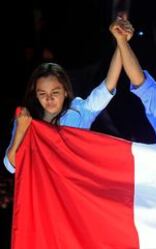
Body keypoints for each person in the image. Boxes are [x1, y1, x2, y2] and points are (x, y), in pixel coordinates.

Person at [3, 18, 134, 173]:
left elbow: (108, 85)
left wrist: (121, 43)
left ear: (65, 91)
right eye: (42, 93)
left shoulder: (79, 110)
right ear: (35, 94)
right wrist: (20, 131)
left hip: (73, 191)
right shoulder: (26, 120)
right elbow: (11, 166)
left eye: (55, 92)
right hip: (44, 193)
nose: (49, 99)